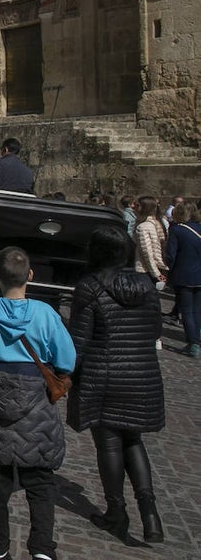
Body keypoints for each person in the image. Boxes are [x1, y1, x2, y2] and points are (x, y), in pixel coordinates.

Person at [0, 246, 76, 560]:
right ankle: (41, 549)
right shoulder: (47, 314)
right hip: (37, 404)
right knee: (40, 481)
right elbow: (67, 359)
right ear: (30, 276)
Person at [67, 226, 165, 545]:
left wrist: (61, 375)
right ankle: (149, 513)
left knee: (108, 444)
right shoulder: (147, 287)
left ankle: (116, 511)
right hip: (141, 373)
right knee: (133, 440)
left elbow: (78, 343)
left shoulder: (89, 287)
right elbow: (154, 330)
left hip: (103, 375)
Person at [167, 201, 201, 356]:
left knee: (186, 311)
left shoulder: (177, 230)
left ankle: (193, 343)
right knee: (196, 310)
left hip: (183, 274)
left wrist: (170, 272)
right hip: (199, 274)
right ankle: (196, 339)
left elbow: (171, 255)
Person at [133, 196, 168, 289]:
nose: (134, 207)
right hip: (157, 267)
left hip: (145, 270)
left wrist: (156, 273)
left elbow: (147, 252)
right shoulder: (157, 223)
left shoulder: (143, 227)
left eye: (137, 205)